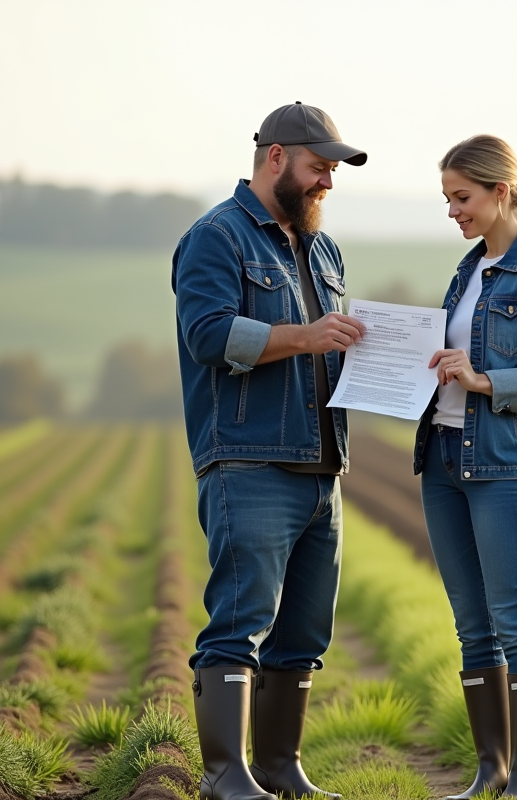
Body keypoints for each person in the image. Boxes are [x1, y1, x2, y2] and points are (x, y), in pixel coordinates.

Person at [172, 102, 367, 800]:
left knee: (305, 632)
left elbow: (335, 349)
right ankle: (227, 775)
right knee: (240, 621)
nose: (328, 185)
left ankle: (280, 769)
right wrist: (305, 337)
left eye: (335, 173)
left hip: (323, 467)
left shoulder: (325, 251)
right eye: (320, 168)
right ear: (276, 157)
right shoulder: (215, 239)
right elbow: (210, 336)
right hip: (248, 461)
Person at [413, 134, 517, 799]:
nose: (454, 211)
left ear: (503, 192)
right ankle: (490, 772)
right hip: (444, 459)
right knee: (471, 624)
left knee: (515, 618)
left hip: (507, 466)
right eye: (447, 200)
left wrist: (482, 381)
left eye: (463, 198)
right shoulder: (466, 270)